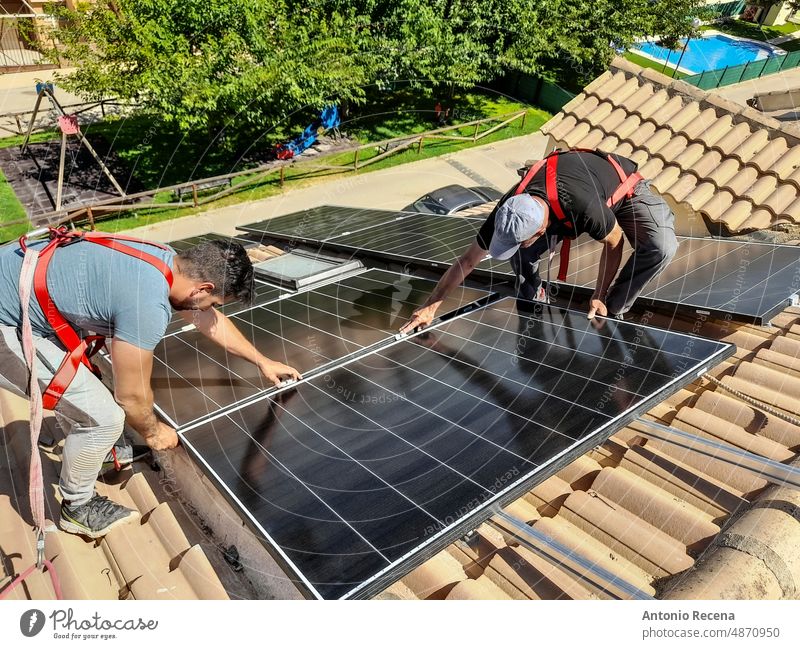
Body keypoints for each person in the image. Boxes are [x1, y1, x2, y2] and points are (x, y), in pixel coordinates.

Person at [0, 234, 301, 538]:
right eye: (213, 300)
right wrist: (154, 433)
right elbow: (130, 395)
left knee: (86, 391)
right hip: (4, 323)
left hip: (16, 279)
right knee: (105, 418)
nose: (209, 307)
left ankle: (94, 451)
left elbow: (206, 318)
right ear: (203, 288)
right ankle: (77, 508)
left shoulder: (165, 257)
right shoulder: (147, 302)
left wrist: (261, 360)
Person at [400, 149, 678, 333]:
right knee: (521, 254)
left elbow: (614, 241)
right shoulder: (509, 207)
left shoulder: (584, 208)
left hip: (622, 190)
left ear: (543, 228)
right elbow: (468, 260)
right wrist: (430, 305)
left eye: (523, 239)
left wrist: (599, 294)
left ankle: (612, 308)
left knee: (661, 247)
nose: (516, 243)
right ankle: (533, 291)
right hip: (573, 195)